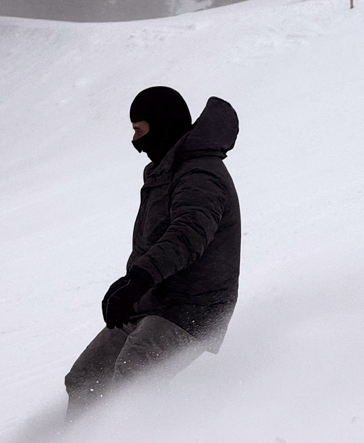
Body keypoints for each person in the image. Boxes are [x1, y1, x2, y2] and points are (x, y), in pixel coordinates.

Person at [64, 86, 241, 419]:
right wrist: (130, 284)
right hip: (156, 300)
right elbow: (156, 243)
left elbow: (186, 237)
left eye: (139, 131)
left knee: (134, 379)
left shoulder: (200, 176)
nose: (135, 142)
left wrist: (138, 280)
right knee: (86, 377)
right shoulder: (166, 173)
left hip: (194, 306)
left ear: (162, 125)